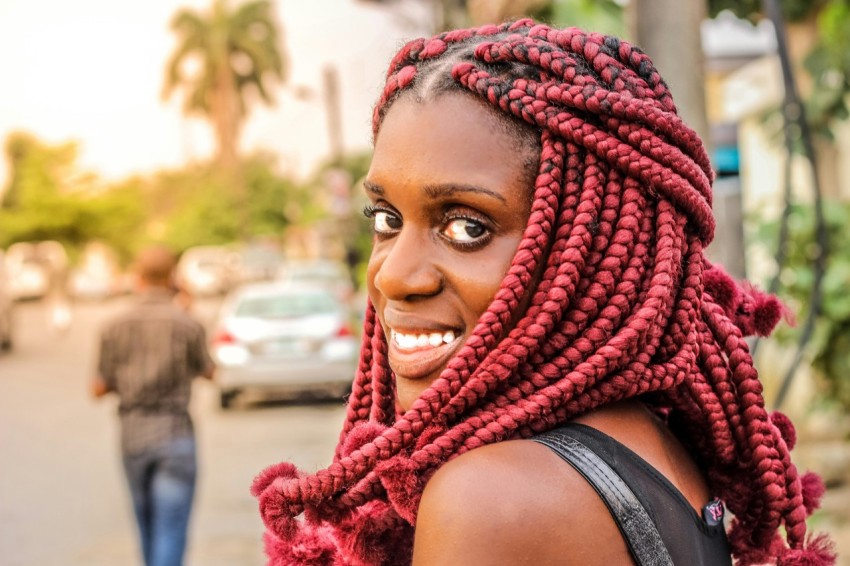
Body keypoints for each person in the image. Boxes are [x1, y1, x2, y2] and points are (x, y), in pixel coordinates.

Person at [251, 20, 835, 565]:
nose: (394, 276)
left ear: (594, 252)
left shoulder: (492, 500)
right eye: (385, 218)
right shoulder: (651, 437)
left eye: (466, 227)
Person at [92, 244, 215, 566]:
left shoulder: (113, 327)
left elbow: (98, 388)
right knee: (170, 527)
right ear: (173, 278)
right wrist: (188, 306)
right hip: (175, 433)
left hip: (132, 436)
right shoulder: (187, 324)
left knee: (145, 524)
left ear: (138, 277)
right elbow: (210, 372)